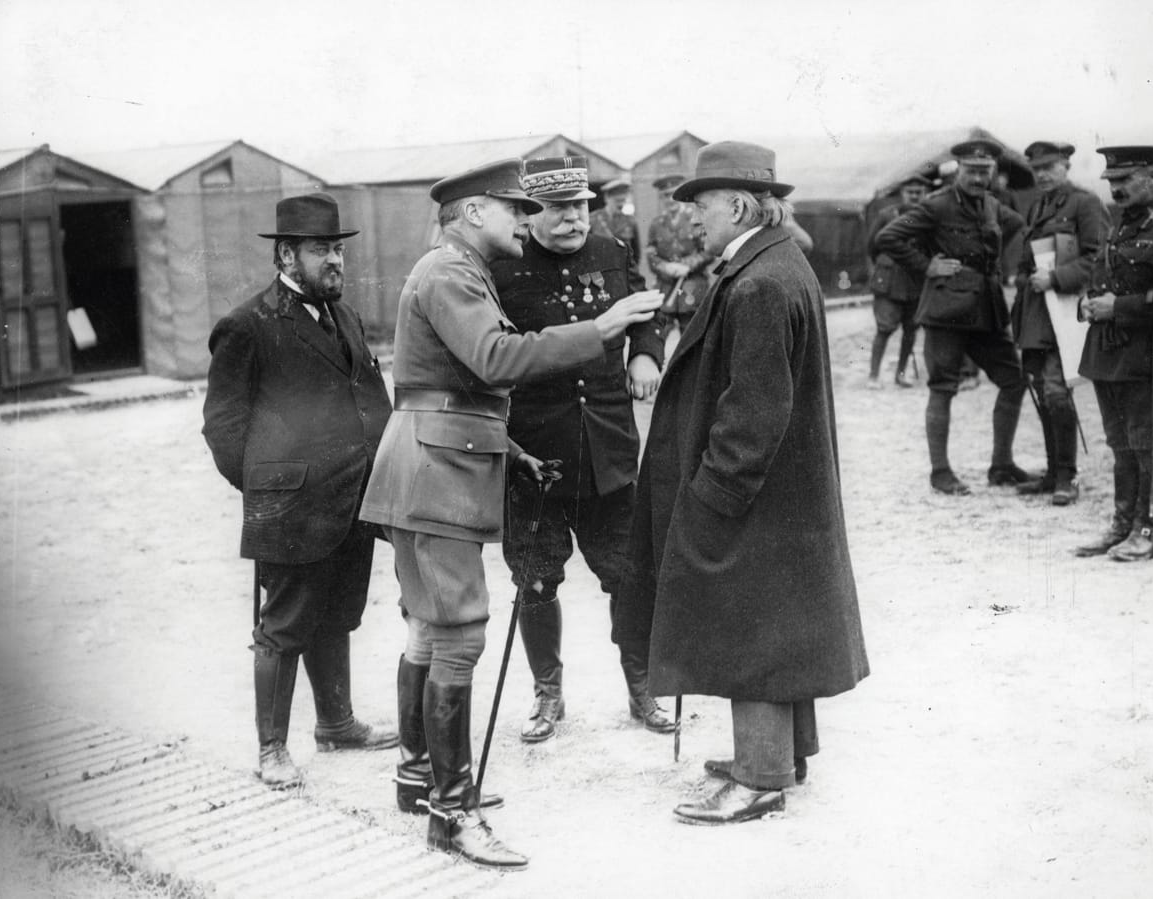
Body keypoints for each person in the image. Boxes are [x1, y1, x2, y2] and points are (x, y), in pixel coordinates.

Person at [358, 158, 662, 868]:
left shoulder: (453, 271)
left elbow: (460, 385)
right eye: (512, 209)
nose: (525, 220)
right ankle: (452, 811)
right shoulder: (452, 273)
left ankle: (418, 776)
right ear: (471, 213)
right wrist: (603, 327)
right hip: (437, 469)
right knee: (458, 631)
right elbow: (494, 359)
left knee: (433, 629)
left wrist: (513, 446)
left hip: (444, 457)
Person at [613, 141, 869, 826]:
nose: (693, 219)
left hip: (752, 492)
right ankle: (782, 755)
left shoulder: (758, 282)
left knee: (750, 624)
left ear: (736, 204)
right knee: (776, 622)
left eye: (699, 205)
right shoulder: (776, 262)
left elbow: (753, 413)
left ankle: (760, 775)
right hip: (783, 491)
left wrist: (712, 495)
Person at [202, 193, 398, 790]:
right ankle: (271, 750)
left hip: (351, 499)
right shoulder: (248, 326)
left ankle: (336, 724)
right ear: (286, 254)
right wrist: (269, 488)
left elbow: (368, 397)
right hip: (290, 507)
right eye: (322, 250)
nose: (335, 260)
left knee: (337, 612)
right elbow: (223, 426)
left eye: (337, 248)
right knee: (283, 624)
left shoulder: (345, 316)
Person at [488, 156, 672, 744]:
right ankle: (548, 694)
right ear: (529, 212)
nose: (572, 217)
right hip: (537, 457)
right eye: (556, 207)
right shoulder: (502, 266)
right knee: (535, 581)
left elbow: (645, 308)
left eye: (580, 205)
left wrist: (646, 352)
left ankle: (642, 690)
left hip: (608, 450)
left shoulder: (611, 250)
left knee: (628, 574)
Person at [875, 139, 1030, 496]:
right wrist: (927, 265)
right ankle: (940, 472)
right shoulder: (936, 205)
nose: (978, 178)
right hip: (947, 311)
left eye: (985, 171)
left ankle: (1002, 465)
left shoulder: (992, 205)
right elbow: (889, 237)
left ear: (993, 172)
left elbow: (1021, 226)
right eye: (972, 171)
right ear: (957, 170)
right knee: (943, 387)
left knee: (1013, 379)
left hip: (986, 309)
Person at [1074, 145, 1153, 561]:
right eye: (1112, 181)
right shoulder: (1117, 229)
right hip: (1112, 355)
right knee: (1121, 445)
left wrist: (1117, 308)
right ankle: (1121, 526)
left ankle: (1149, 530)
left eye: (1125, 180)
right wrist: (1090, 302)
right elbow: (1102, 277)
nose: (1117, 189)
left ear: (1151, 177)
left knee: (1147, 446)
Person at [1012, 141, 1110, 506]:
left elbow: (1099, 257)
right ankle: (1053, 472)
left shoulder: (1085, 204)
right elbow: (1028, 260)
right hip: (1038, 314)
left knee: (1055, 391)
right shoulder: (1037, 207)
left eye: (1049, 166)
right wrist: (1026, 280)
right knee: (1041, 391)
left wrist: (1055, 279)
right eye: (1036, 169)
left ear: (1066, 165)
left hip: (1068, 312)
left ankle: (1068, 476)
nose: (1042, 174)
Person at [866, 174, 932, 388]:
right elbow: (872, 245)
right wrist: (887, 264)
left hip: (915, 281)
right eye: (910, 192)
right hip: (890, 281)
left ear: (925, 194)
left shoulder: (929, 217)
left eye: (918, 192)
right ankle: (873, 376)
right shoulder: (887, 215)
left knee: (911, 330)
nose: (914, 196)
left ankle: (900, 374)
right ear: (902, 193)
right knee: (884, 328)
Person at [646, 173, 717, 339]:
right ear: (660, 198)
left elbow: (710, 250)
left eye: (673, 194)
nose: (669, 199)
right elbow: (651, 256)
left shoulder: (696, 219)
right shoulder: (656, 224)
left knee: (693, 341)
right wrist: (667, 267)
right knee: (657, 339)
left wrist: (689, 264)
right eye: (665, 195)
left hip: (692, 289)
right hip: (665, 289)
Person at [589, 177, 641, 265]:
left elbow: (636, 254)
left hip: (624, 271)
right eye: (617, 201)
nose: (621, 204)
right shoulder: (593, 219)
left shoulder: (630, 221)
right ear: (607, 198)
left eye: (623, 200)